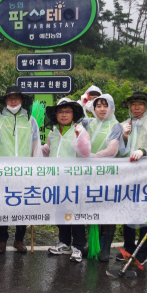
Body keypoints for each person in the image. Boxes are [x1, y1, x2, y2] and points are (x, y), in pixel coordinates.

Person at [0, 86, 42, 254]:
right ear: (5, 101)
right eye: (10, 98)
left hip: (25, 171)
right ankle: (2, 240)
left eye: (16, 98)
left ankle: (19, 239)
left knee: (23, 206)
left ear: (21, 100)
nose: (13, 101)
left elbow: (36, 145)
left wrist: (36, 167)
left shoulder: (30, 120)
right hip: (2, 171)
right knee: (2, 206)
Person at [43, 98, 91, 262]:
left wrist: (79, 137)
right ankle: (64, 242)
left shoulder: (80, 130)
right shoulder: (53, 132)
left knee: (75, 211)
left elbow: (85, 153)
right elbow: (48, 150)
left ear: (73, 114)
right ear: (55, 114)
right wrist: (34, 146)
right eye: (61, 112)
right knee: (61, 211)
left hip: (74, 180)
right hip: (57, 179)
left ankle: (78, 245)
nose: (64, 115)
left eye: (67, 112)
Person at [117, 91, 147, 265]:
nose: (136, 108)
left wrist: (144, 151)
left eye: (140, 104)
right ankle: (127, 248)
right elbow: (119, 152)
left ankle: (141, 252)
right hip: (127, 175)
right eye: (133, 104)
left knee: (145, 212)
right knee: (126, 211)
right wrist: (123, 137)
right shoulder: (123, 125)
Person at [83, 94, 125, 263]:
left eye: (105, 105)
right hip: (87, 174)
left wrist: (93, 156)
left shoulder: (116, 126)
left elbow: (112, 149)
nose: (101, 109)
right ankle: (93, 244)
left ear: (111, 108)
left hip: (106, 174)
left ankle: (105, 247)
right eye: (98, 105)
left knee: (107, 210)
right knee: (89, 208)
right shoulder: (87, 123)